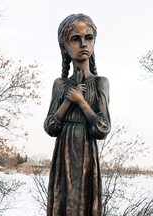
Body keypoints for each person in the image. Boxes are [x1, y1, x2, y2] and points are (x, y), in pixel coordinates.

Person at [44, 13, 110, 216]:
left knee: (84, 204)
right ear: (64, 46)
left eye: (88, 38)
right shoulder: (60, 85)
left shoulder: (101, 83)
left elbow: (102, 128)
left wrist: (82, 102)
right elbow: (50, 127)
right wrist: (68, 101)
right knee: (64, 202)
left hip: (87, 153)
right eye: (75, 39)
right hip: (64, 152)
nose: (83, 44)